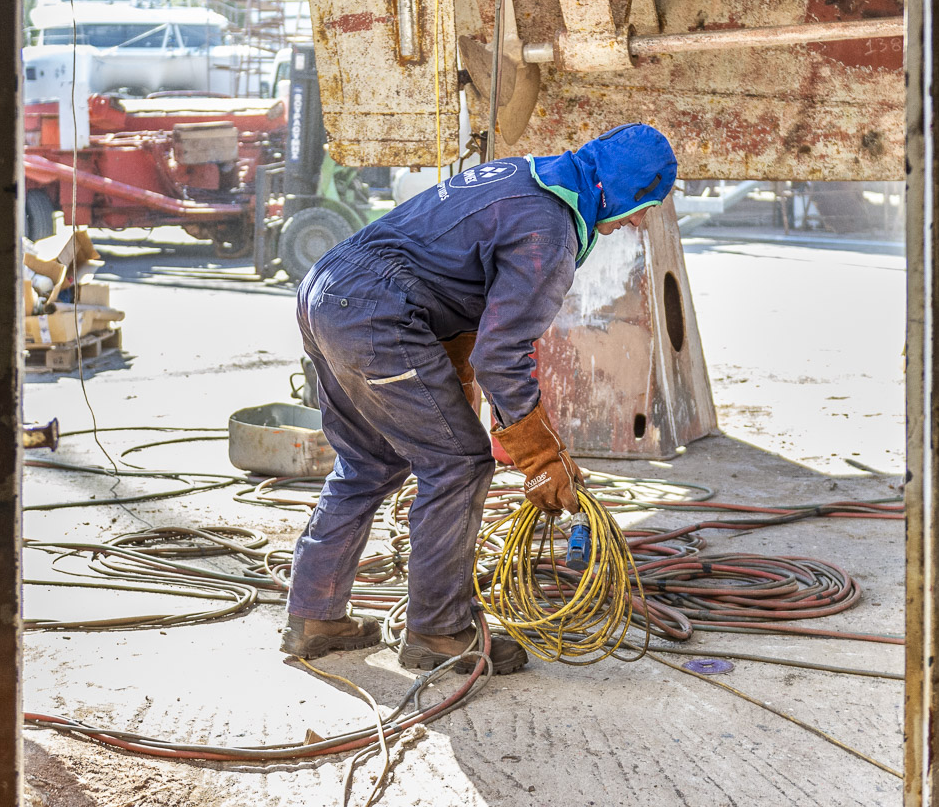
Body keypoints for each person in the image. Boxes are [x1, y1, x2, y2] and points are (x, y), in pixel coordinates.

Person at [279, 123, 679, 674]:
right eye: (642, 207)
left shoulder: (523, 177)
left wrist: (506, 423)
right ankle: (438, 632)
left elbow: (456, 299)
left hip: (327, 292)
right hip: (373, 313)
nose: (636, 221)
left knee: (368, 462)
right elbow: (501, 353)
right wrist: (541, 456)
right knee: (459, 466)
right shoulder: (551, 231)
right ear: (622, 188)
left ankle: (314, 617)